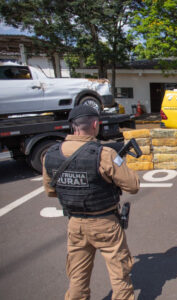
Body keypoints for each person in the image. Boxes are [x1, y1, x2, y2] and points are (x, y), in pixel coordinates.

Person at [42, 105, 140, 300]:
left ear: (72, 126)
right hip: (105, 224)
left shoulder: (50, 154)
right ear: (95, 124)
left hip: (75, 225)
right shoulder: (105, 154)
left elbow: (51, 191)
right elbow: (133, 186)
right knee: (120, 277)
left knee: (77, 278)